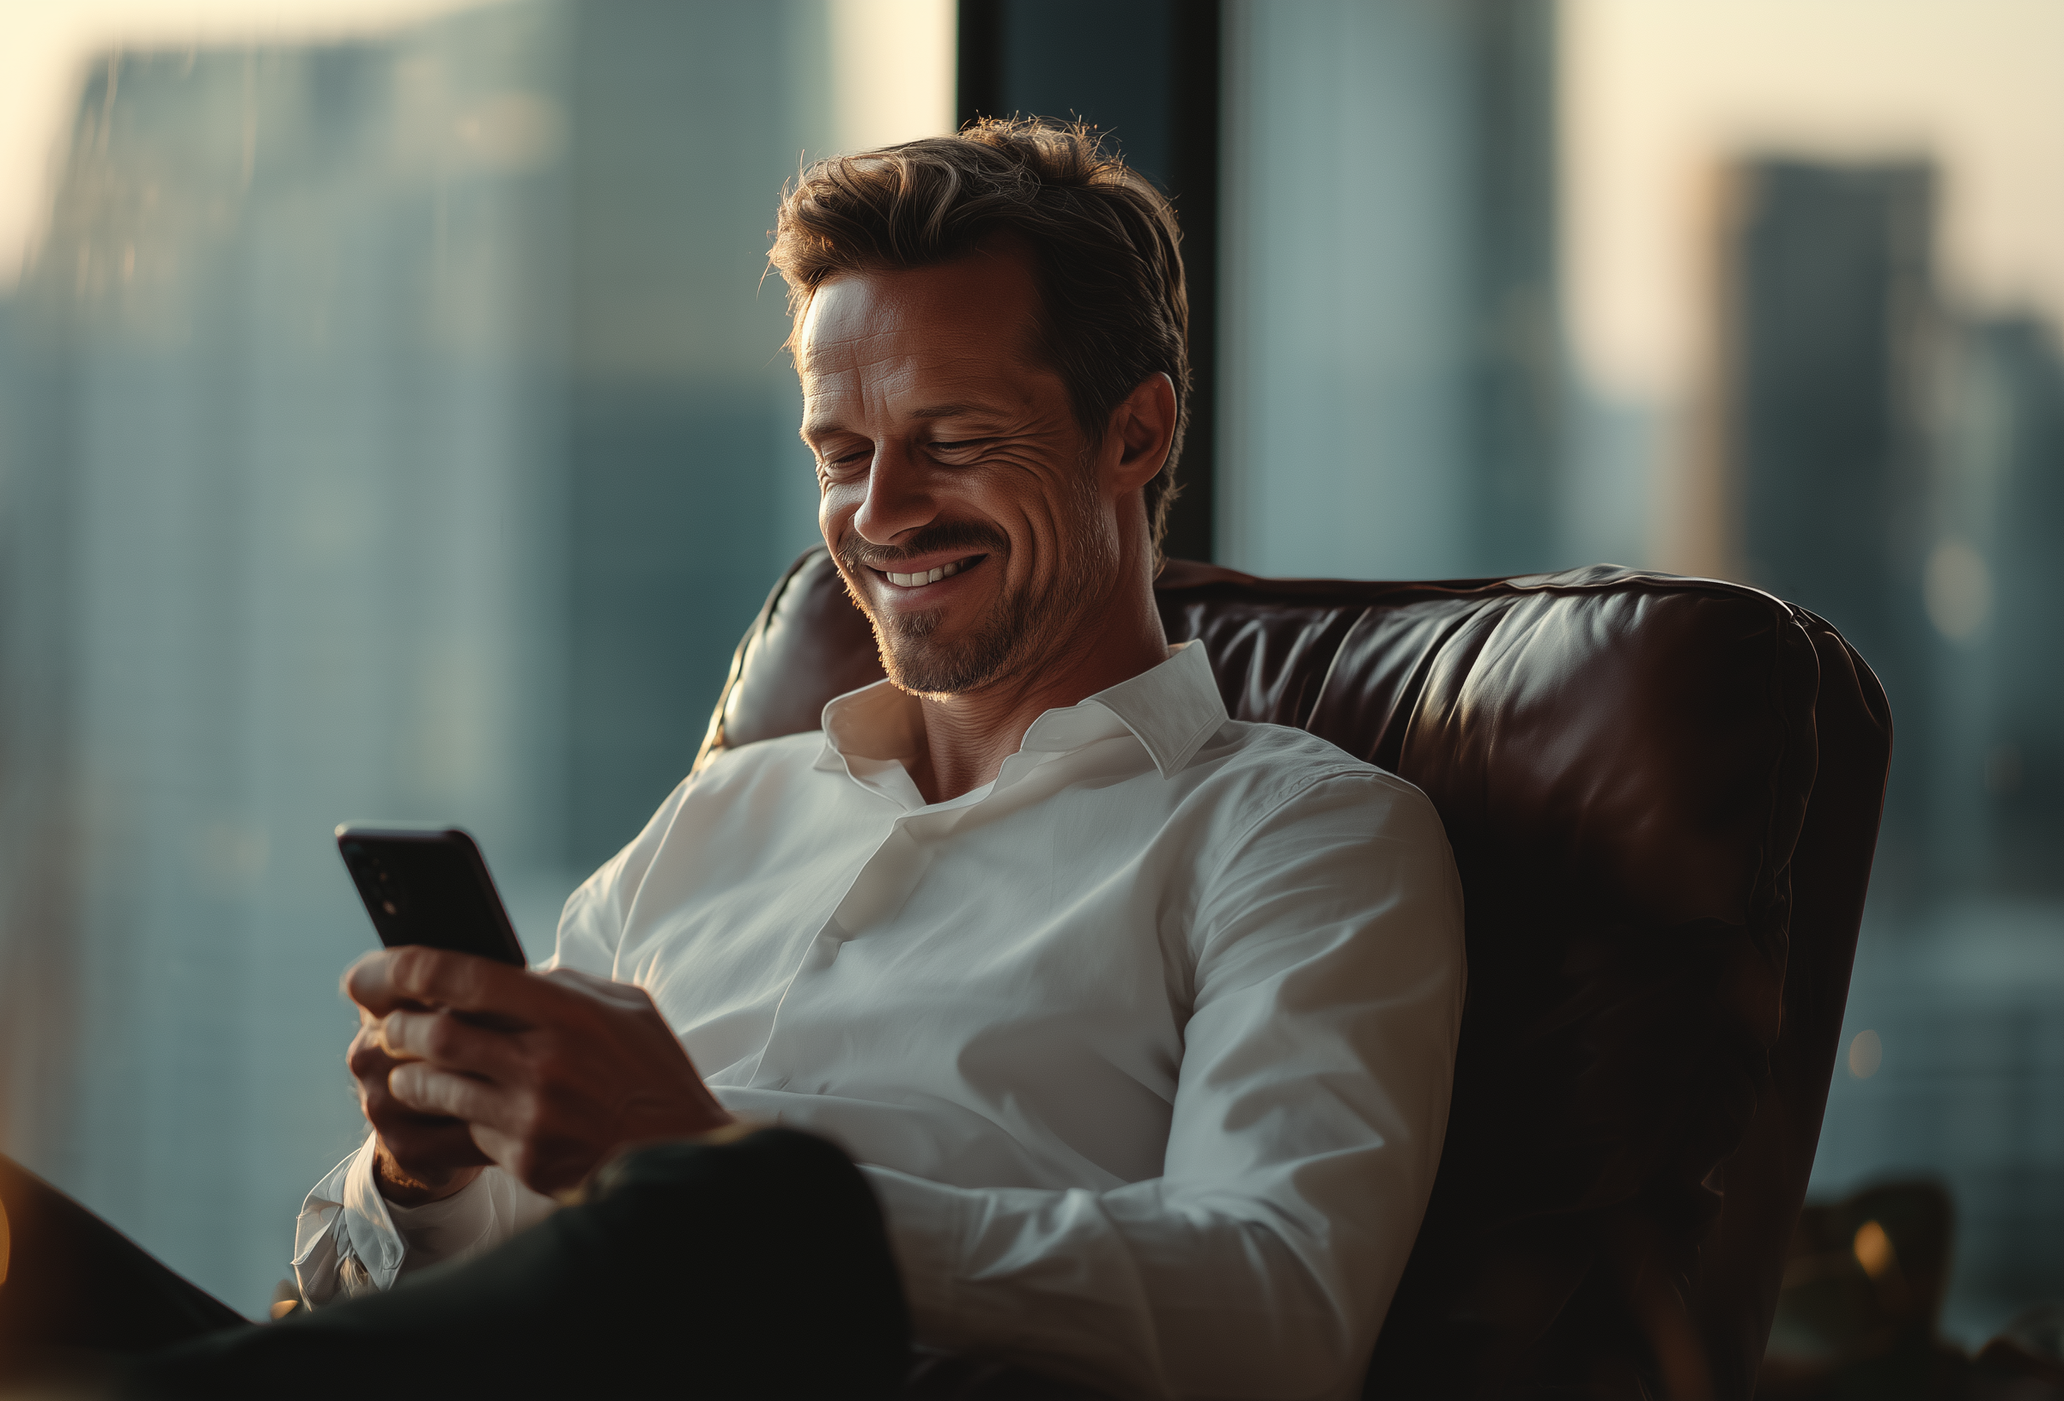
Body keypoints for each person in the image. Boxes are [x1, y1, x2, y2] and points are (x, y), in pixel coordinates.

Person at [286, 117, 1467, 1400]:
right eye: (841, 455)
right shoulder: (724, 807)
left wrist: (734, 1184)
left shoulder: (1296, 839)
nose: (878, 514)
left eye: (949, 442)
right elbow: (389, 1283)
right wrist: (429, 1176)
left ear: (1133, 435)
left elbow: (1273, 1311)